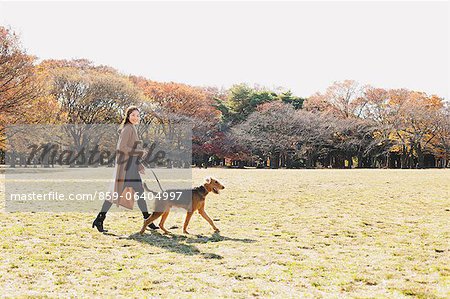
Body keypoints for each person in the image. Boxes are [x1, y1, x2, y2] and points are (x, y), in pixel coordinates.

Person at [92, 106, 158, 232]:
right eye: (133, 115)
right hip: (126, 169)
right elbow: (122, 148)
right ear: (128, 116)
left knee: (139, 193)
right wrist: (139, 151)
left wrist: (139, 165)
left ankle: (147, 219)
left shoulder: (132, 128)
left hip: (131, 167)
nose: (135, 117)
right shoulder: (127, 129)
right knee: (116, 194)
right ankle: (99, 219)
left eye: (138, 115)